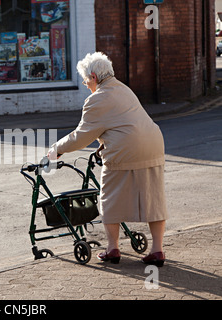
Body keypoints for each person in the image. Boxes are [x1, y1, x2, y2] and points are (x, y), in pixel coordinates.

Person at [47, 52, 168, 266]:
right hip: (154, 145)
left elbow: (81, 136)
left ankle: (113, 249)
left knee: (109, 198)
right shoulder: (124, 89)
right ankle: (157, 251)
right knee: (153, 198)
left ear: (93, 76)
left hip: (125, 151)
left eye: (85, 80)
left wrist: (57, 149)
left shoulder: (97, 99)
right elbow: (122, 123)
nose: (85, 85)